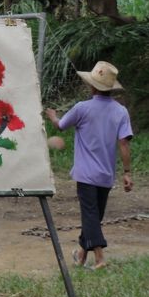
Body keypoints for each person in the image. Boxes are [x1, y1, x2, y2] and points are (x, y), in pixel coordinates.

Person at [45, 61, 133, 270]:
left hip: (85, 174)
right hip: (106, 174)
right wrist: (127, 173)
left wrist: (52, 116)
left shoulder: (81, 108)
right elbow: (123, 143)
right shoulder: (121, 111)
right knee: (94, 216)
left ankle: (100, 259)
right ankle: (82, 255)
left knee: (91, 215)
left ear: (91, 86)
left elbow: (61, 125)